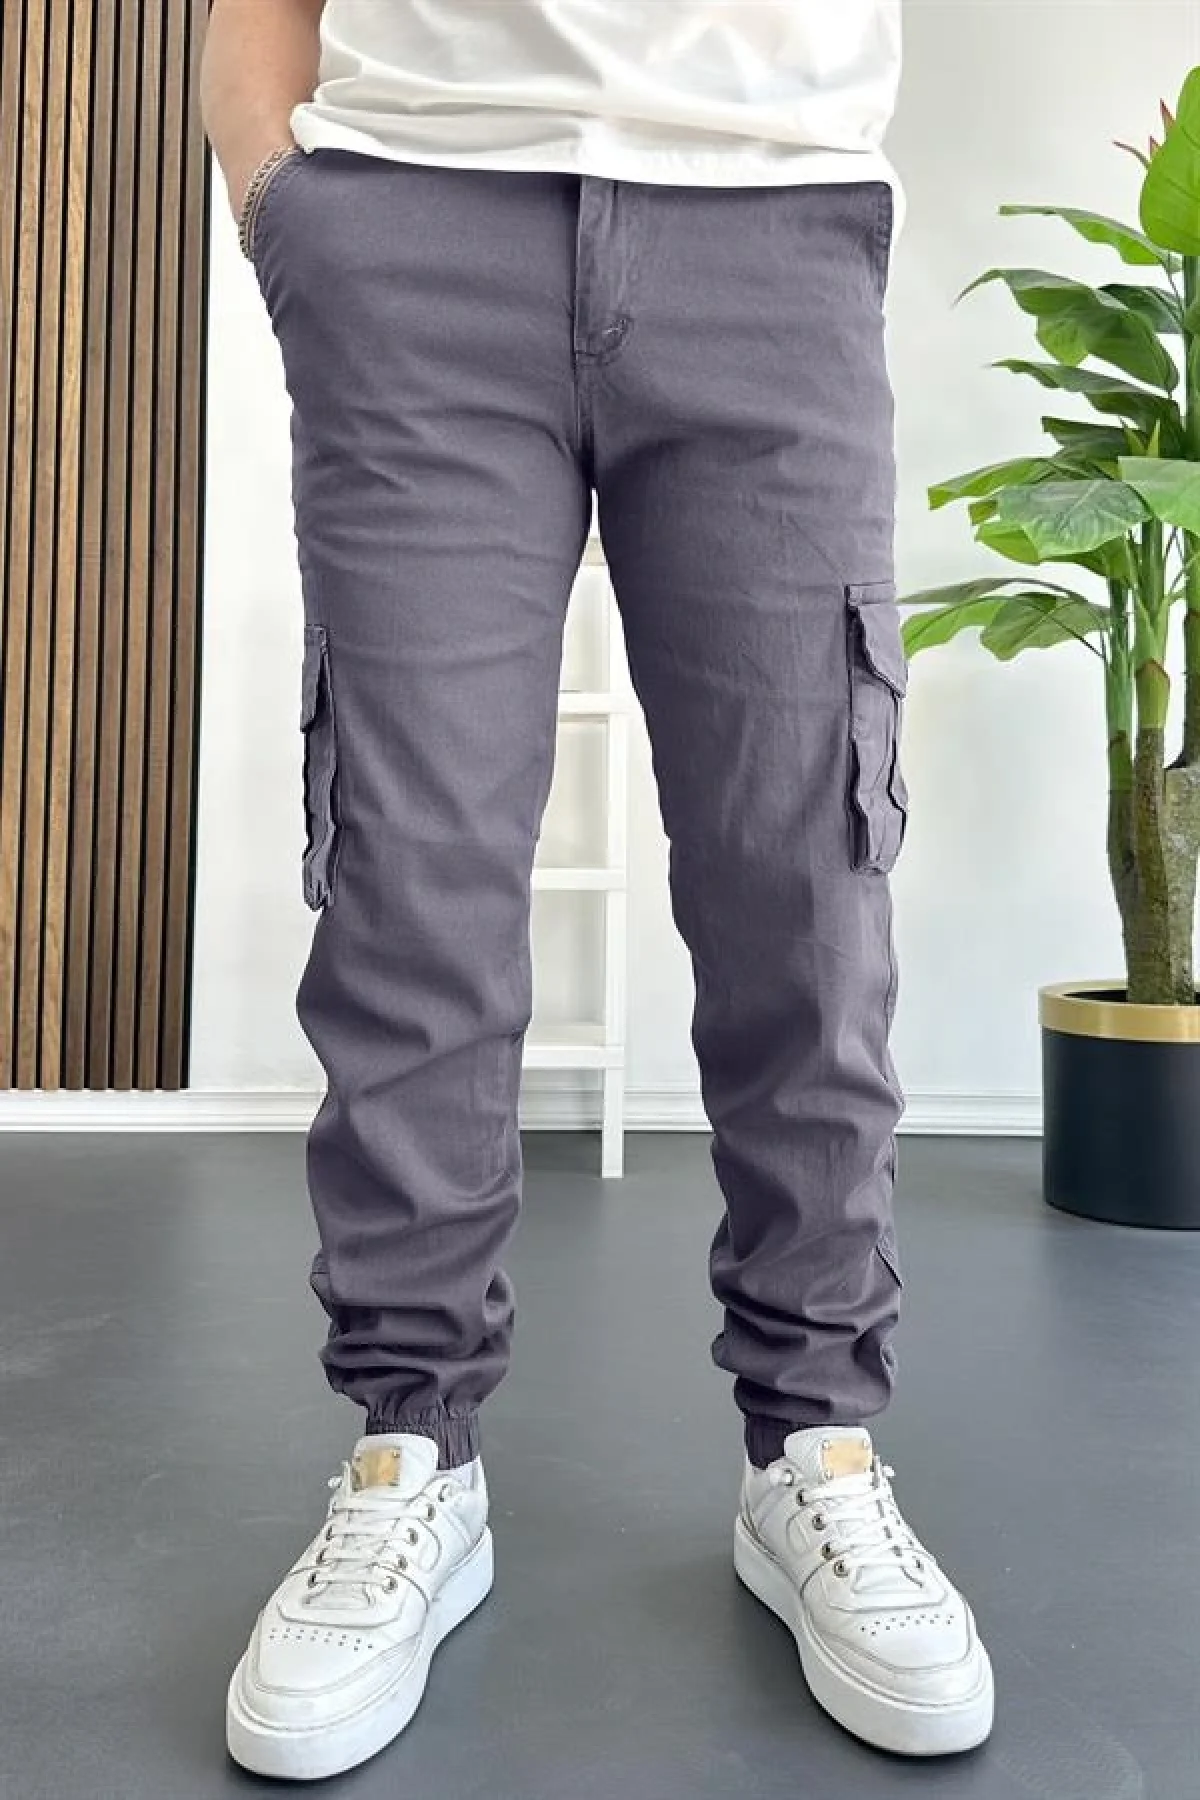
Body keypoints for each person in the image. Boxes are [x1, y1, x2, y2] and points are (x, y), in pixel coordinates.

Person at [201, 0, 994, 1779]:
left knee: (803, 881)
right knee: (410, 882)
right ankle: (409, 1450)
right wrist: (281, 203)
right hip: (415, 219)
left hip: (771, 218)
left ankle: (816, 1450)